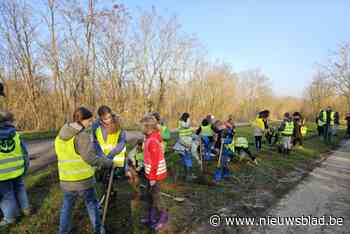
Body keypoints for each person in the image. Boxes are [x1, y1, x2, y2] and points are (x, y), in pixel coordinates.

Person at [55, 107, 116, 234]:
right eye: (89, 120)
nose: (90, 123)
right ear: (82, 120)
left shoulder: (60, 136)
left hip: (66, 180)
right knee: (92, 205)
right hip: (83, 181)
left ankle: (63, 231)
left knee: (67, 207)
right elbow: (90, 159)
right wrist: (108, 163)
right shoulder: (82, 136)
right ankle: (99, 230)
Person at [0, 112, 30, 226]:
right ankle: (26, 209)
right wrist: (25, 167)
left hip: (2, 172)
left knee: (7, 195)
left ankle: (10, 218)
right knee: (20, 188)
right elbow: (24, 152)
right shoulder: (15, 134)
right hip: (17, 168)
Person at [140, 115, 168, 230]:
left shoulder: (152, 141)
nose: (140, 129)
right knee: (150, 196)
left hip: (156, 175)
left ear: (148, 127)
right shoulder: (149, 138)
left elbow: (155, 161)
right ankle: (151, 216)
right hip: (150, 175)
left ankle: (163, 216)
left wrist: (152, 178)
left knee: (157, 197)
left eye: (141, 127)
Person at [173, 112, 196, 182]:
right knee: (188, 160)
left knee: (184, 160)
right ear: (188, 118)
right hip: (186, 145)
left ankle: (183, 175)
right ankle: (188, 176)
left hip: (180, 144)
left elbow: (181, 133)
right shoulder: (189, 126)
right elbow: (191, 134)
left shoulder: (180, 123)